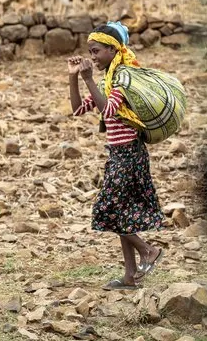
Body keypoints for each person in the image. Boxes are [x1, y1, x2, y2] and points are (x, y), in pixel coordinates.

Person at [68, 21, 164, 290]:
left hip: (130, 155)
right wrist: (74, 76)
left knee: (108, 210)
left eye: (96, 51)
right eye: (90, 51)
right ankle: (130, 277)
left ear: (113, 50)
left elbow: (108, 111)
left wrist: (88, 79)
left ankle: (148, 251)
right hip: (118, 155)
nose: (93, 57)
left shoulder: (124, 78)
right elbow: (78, 109)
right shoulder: (108, 80)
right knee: (122, 215)